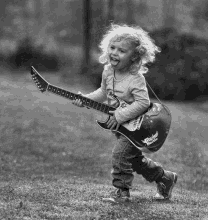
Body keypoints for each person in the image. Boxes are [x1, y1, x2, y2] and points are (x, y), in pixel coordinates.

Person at [72, 23, 177, 202]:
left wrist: (119, 116)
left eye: (121, 50)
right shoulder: (108, 71)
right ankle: (165, 178)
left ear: (134, 57)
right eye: (112, 47)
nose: (114, 53)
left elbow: (143, 102)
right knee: (135, 160)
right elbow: (104, 93)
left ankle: (122, 193)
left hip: (139, 126)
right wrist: (85, 100)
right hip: (122, 128)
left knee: (120, 155)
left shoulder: (135, 79)